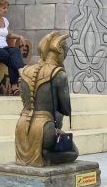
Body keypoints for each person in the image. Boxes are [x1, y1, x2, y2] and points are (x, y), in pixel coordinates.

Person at [15, 31, 79, 166]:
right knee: (74, 152)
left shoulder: (26, 71)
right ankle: (46, 155)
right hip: (45, 128)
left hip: (22, 127)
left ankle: (40, 154)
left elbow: (25, 101)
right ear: (60, 51)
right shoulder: (58, 74)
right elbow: (66, 110)